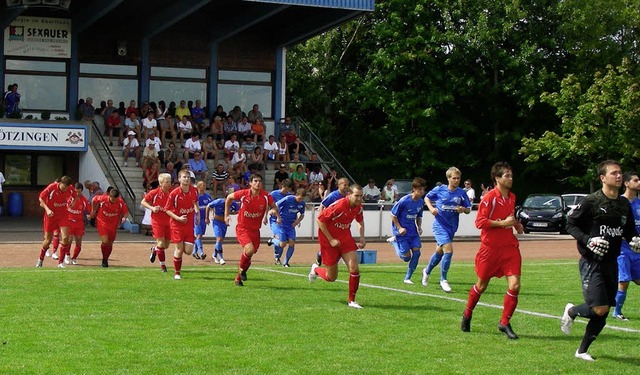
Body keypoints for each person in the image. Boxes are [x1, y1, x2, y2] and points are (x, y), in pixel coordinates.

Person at [560, 160, 639, 361]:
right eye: (614, 173)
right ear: (603, 178)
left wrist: (634, 240)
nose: (619, 176)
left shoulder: (623, 204)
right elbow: (570, 224)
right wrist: (588, 240)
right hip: (591, 262)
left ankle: (582, 351)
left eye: (620, 173)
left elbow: (628, 230)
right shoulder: (592, 201)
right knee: (600, 308)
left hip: (611, 262)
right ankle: (571, 310)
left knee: (603, 312)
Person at [461, 161, 524, 340]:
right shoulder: (489, 198)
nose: (511, 179)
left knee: (515, 285)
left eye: (511, 175)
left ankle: (504, 322)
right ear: (497, 178)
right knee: (481, 286)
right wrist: (503, 223)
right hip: (489, 250)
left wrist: (516, 225)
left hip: (509, 249)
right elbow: (479, 222)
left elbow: (509, 218)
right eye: (507, 176)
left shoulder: (512, 197)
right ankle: (467, 313)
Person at [308, 184, 366, 308]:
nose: (359, 199)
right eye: (356, 196)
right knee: (331, 277)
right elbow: (320, 220)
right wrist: (331, 239)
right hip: (328, 240)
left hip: (345, 239)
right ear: (349, 195)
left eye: (361, 196)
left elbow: (360, 221)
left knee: (354, 268)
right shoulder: (339, 205)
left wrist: (362, 237)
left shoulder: (358, 207)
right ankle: (316, 269)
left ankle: (352, 301)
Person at [421, 167, 472, 293]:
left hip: (452, 227)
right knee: (448, 250)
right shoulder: (440, 189)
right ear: (448, 178)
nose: (456, 180)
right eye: (454, 178)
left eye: (458, 178)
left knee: (440, 252)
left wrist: (463, 209)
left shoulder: (461, 193)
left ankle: (426, 270)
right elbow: (426, 198)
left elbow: (468, 209)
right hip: (439, 225)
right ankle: (443, 280)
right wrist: (431, 209)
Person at [225, 173, 280, 286]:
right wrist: (226, 214)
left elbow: (274, 206)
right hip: (243, 228)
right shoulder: (244, 194)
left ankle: (238, 277)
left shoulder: (266, 196)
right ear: (250, 183)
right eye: (255, 181)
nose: (258, 183)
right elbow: (229, 198)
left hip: (255, 230)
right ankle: (242, 271)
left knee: (249, 254)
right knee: (249, 250)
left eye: (259, 181)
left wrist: (272, 211)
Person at [612, 171, 640, 320]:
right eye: (636, 180)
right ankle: (617, 312)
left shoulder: (639, 203)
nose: (639, 182)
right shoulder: (619, 202)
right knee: (624, 281)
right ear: (626, 183)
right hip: (623, 248)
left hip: (638, 249)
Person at [388, 178, 427, 284]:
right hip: (401, 232)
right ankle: (394, 242)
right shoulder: (404, 200)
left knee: (417, 253)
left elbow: (419, 216)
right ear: (414, 189)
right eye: (419, 189)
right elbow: (393, 215)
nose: (422, 192)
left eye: (423, 189)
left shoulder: (420, 202)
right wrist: (399, 227)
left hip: (412, 232)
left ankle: (407, 278)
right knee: (406, 258)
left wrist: (419, 227)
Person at [164, 169, 200, 280]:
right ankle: (177, 273)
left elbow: (195, 202)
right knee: (179, 249)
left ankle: (178, 257)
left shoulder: (194, 191)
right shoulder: (174, 194)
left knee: (188, 251)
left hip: (189, 224)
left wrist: (197, 213)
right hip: (177, 225)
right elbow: (167, 210)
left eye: (188, 177)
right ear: (179, 179)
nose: (187, 179)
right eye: (184, 177)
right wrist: (178, 218)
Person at [36, 176, 76, 268]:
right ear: (60, 183)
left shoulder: (70, 189)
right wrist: (47, 209)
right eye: (64, 187)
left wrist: (73, 202)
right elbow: (41, 198)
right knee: (47, 240)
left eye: (67, 187)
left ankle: (60, 263)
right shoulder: (52, 187)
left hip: (63, 215)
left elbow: (75, 195)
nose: (65, 189)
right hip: (51, 216)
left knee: (66, 238)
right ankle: (40, 259)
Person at [141, 173, 173, 272]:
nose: (169, 184)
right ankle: (163, 266)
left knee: (165, 245)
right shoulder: (154, 192)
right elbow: (143, 202)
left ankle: (155, 250)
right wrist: (152, 208)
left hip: (169, 221)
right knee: (160, 243)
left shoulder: (172, 193)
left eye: (170, 181)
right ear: (160, 183)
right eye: (167, 182)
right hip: (157, 221)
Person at [90, 188, 128, 268]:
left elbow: (126, 212)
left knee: (110, 243)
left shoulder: (120, 202)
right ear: (109, 196)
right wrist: (93, 211)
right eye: (112, 199)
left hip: (113, 224)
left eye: (115, 199)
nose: (114, 201)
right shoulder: (103, 198)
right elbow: (94, 199)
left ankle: (105, 258)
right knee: (105, 241)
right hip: (102, 222)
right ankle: (104, 259)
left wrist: (124, 218)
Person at [272, 188, 307, 267]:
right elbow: (275, 206)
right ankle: (273, 240)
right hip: (282, 225)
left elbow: (302, 214)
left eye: (302, 199)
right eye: (300, 198)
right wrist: (278, 217)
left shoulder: (302, 203)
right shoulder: (287, 199)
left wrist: (298, 221)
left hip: (291, 226)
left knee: (292, 243)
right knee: (282, 244)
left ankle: (286, 262)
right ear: (296, 195)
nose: (300, 200)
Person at [205, 196, 239, 265]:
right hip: (217, 222)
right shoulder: (219, 201)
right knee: (219, 239)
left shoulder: (233, 203)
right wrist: (207, 218)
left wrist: (230, 213)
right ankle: (220, 257)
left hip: (224, 224)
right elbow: (208, 206)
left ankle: (214, 255)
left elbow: (238, 211)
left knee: (220, 240)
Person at [267, 179, 293, 264]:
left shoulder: (289, 196)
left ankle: (277, 256)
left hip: (284, 222)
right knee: (280, 239)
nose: (287, 191)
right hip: (274, 220)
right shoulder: (274, 194)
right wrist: (265, 216)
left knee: (283, 241)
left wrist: (295, 219)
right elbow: (268, 205)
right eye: (286, 189)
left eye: (288, 190)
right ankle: (277, 256)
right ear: (282, 186)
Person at [66, 183, 91, 265]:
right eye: (76, 192)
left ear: (81, 191)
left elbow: (89, 211)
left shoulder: (84, 200)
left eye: (79, 192)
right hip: (69, 222)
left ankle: (74, 258)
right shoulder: (69, 198)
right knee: (68, 240)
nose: (77, 194)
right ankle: (67, 255)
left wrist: (89, 215)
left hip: (79, 223)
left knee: (79, 242)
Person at [193, 180, 213, 260]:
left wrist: (210, 215)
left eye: (205, 185)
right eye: (203, 185)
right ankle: (201, 252)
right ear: (198, 186)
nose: (204, 187)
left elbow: (211, 206)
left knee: (200, 236)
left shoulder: (207, 196)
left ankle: (194, 252)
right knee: (198, 235)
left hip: (204, 218)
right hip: (196, 218)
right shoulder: (195, 196)